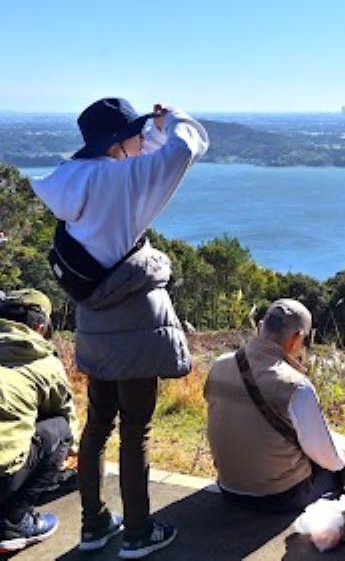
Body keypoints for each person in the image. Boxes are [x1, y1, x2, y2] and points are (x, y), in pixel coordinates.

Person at [31, 97, 208, 558]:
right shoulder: (122, 180)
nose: (141, 136)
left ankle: (93, 525)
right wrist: (172, 120)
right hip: (134, 320)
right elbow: (185, 147)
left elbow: (133, 150)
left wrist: (145, 129)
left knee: (98, 425)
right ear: (116, 140)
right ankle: (138, 532)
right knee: (137, 429)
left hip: (94, 318)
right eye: (133, 130)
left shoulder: (71, 179)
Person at [204, 299, 345, 512]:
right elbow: (330, 460)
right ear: (297, 338)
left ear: (260, 327)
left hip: (228, 488)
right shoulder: (295, 386)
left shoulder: (219, 364)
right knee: (336, 471)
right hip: (276, 496)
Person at [0, 289, 76, 553]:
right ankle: (14, 521)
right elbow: (67, 417)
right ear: (40, 325)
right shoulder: (43, 361)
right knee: (61, 430)